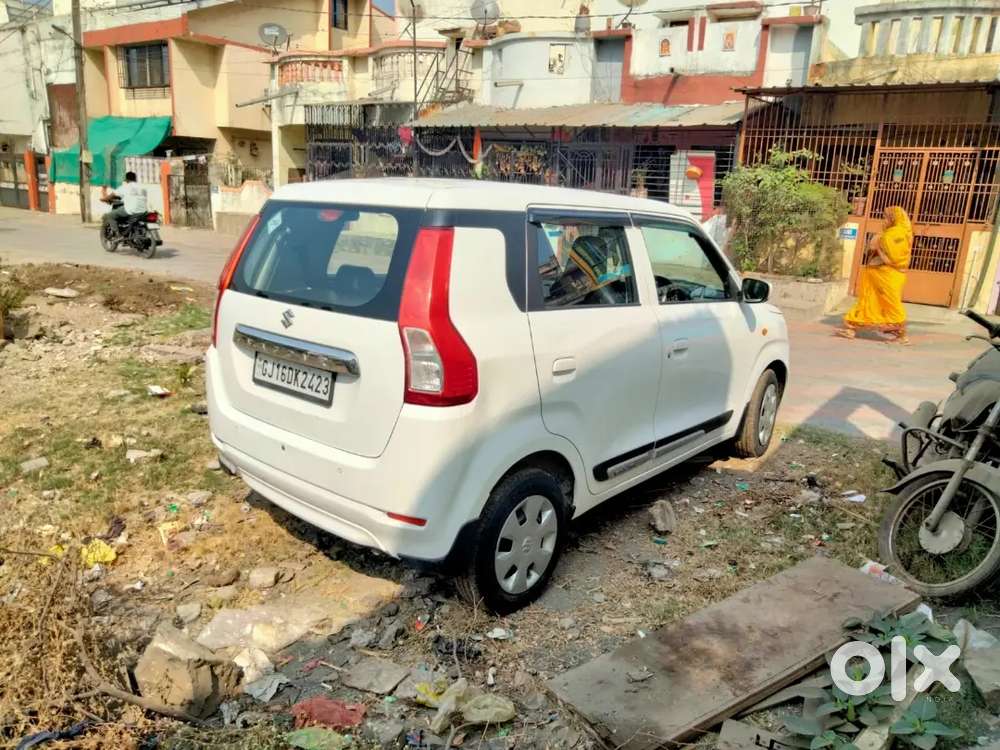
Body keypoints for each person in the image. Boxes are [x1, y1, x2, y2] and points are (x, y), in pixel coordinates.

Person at [836, 205, 913, 344]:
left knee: (891, 304)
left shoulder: (894, 234)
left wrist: (878, 245)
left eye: (885, 217)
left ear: (893, 218)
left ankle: (902, 336)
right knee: (867, 301)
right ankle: (851, 328)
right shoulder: (896, 233)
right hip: (878, 275)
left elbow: (892, 258)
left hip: (887, 276)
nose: (883, 220)